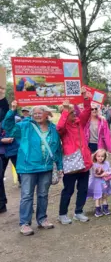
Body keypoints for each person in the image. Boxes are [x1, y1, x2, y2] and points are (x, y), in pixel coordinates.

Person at [3, 101, 64, 236]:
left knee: (43, 194)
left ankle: (42, 219)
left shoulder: (53, 128)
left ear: (47, 114)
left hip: (47, 167)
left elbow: (57, 149)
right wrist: (12, 110)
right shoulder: (25, 126)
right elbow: (7, 127)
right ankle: (24, 223)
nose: (36, 115)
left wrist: (60, 166)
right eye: (34, 113)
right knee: (26, 195)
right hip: (28, 167)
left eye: (39, 113)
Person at [57, 89, 94, 224]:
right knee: (68, 189)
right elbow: (59, 127)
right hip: (71, 163)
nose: (74, 115)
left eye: (73, 112)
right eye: (71, 113)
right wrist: (66, 111)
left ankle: (79, 211)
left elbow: (87, 111)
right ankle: (62, 214)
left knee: (83, 189)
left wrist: (86, 99)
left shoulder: (79, 123)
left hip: (84, 162)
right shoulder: (63, 127)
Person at [87, 149, 111, 217]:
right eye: (98, 156)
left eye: (102, 156)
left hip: (104, 183)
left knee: (105, 195)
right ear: (95, 156)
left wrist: (108, 173)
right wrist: (101, 175)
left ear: (105, 157)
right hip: (97, 183)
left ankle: (105, 209)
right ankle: (97, 210)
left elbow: (110, 170)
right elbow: (94, 174)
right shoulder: (94, 164)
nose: (100, 158)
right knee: (98, 196)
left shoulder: (106, 163)